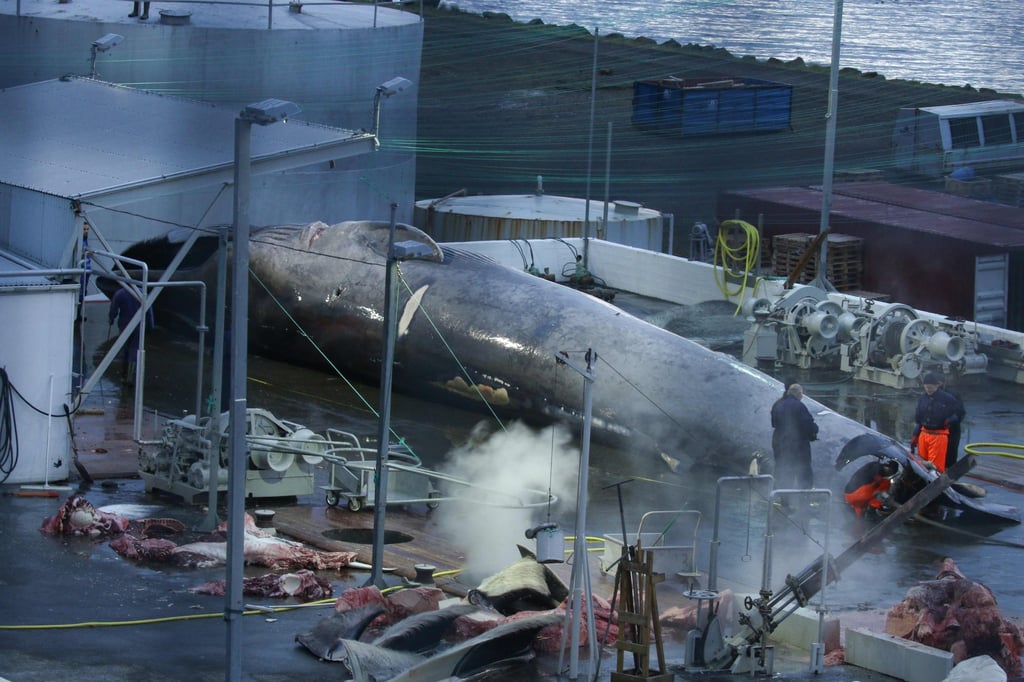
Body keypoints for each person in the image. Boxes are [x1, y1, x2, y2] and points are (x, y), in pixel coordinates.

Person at [770, 382, 818, 490]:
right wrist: (814, 430)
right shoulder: (799, 406)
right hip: (798, 446)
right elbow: (808, 425)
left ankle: (784, 500)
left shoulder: (778, 404)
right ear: (799, 394)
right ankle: (804, 499)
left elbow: (774, 423)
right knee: (803, 473)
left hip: (781, 444)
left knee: (785, 472)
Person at [911, 372, 962, 472]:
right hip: (924, 434)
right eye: (926, 387)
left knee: (935, 467)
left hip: (938, 435)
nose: (928, 390)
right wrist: (915, 435)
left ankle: (936, 483)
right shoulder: (922, 398)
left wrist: (949, 420)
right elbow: (919, 419)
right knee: (922, 465)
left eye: (930, 387)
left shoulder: (948, 398)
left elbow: (959, 413)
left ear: (937, 386)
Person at [108, 283, 153, 384]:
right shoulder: (143, 293)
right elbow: (149, 310)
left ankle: (124, 374)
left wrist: (111, 319)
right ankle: (131, 376)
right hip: (139, 325)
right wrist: (150, 325)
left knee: (125, 349)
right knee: (135, 349)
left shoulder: (119, 294)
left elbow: (113, 309)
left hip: (124, 325)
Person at [940, 378, 966, 469]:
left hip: (951, 430)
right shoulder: (927, 397)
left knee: (950, 455)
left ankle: (949, 475)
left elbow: (960, 412)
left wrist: (949, 421)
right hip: (935, 432)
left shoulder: (953, 395)